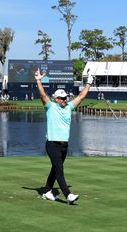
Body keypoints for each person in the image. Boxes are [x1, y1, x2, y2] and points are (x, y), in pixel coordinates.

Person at [35, 68, 93, 205]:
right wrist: (38, 81)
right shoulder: (50, 106)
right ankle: (68, 195)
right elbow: (43, 95)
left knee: (56, 168)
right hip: (52, 144)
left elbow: (81, 97)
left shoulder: (69, 107)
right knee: (59, 170)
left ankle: (48, 191)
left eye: (65, 97)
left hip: (64, 145)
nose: (63, 100)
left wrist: (89, 83)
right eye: (61, 98)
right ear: (55, 98)